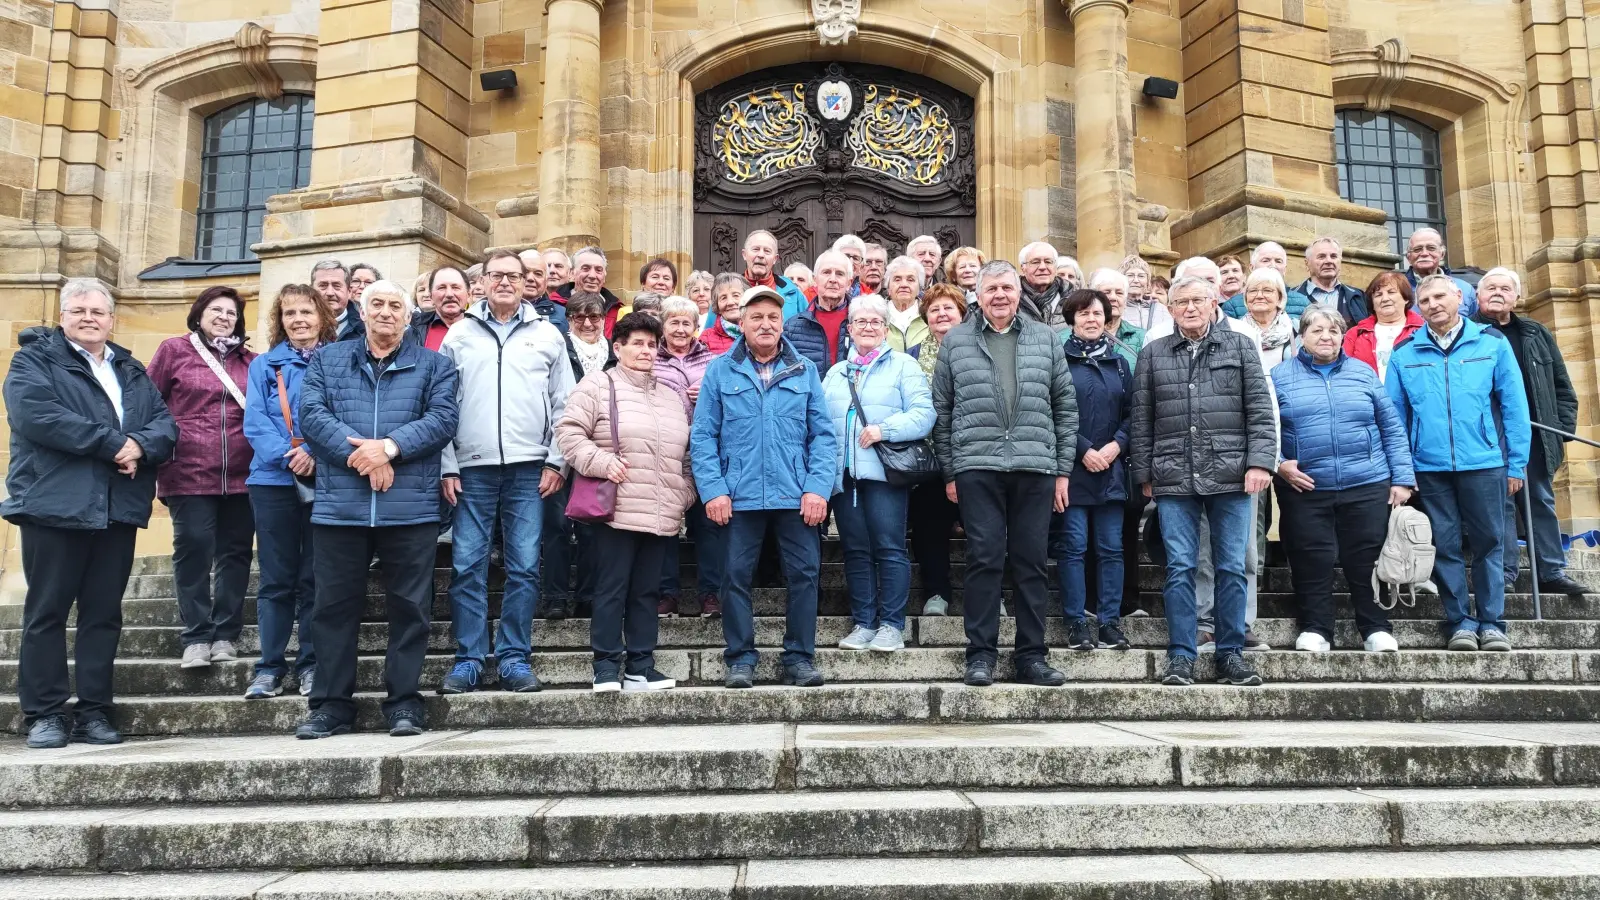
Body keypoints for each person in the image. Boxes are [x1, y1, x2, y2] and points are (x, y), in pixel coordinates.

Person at [4, 279, 176, 749]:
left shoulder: (130, 369)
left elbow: (165, 425)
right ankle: (45, 714)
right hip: (54, 504)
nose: (88, 318)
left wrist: (139, 443)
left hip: (116, 507)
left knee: (103, 615)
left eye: (97, 312)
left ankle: (95, 711)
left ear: (111, 319)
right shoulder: (35, 360)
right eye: (78, 310)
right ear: (62, 316)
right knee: (47, 612)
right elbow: (36, 416)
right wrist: (114, 443)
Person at [295, 280, 459, 739]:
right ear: (361, 311)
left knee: (410, 608)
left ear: (409, 317)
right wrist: (363, 459)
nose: (386, 312)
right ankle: (330, 706)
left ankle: (404, 703)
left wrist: (388, 448)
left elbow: (443, 419)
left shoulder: (435, 365)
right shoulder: (327, 360)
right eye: (377, 305)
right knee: (331, 609)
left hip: (410, 509)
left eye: (395, 306)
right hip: (339, 508)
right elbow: (312, 415)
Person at [932, 261, 1077, 688]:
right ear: (977, 295)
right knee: (984, 559)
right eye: (991, 288)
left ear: (1019, 293)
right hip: (978, 466)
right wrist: (950, 470)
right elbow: (943, 411)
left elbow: (1065, 407)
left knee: (1032, 562)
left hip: (1035, 466)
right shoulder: (956, 341)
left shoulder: (1046, 338)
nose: (1000, 295)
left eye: (1007, 288)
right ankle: (981, 654)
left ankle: (1031, 655)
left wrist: (1062, 470)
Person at [437, 249, 574, 694]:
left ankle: (514, 656)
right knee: (466, 565)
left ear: (525, 282)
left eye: (513, 276)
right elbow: (440, 405)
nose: (504, 282)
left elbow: (565, 405)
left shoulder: (548, 334)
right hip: (470, 468)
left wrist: (557, 459)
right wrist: (446, 465)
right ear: (482, 282)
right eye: (496, 275)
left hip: (528, 467)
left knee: (524, 568)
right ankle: (469, 658)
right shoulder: (458, 335)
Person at [1131, 275, 1276, 688]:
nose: (1190, 307)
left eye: (1198, 300)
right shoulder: (1153, 353)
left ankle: (1230, 655)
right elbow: (1142, 419)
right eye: (1182, 301)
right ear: (1170, 308)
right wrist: (1144, 475)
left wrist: (1261, 462)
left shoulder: (1241, 345)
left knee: (1231, 566)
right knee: (1180, 568)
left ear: (1215, 303)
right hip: (1173, 475)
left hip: (1233, 475)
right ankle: (1181, 656)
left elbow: (1260, 411)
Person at [690, 285, 836, 689]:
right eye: (756, 317)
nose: (766, 324)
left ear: (782, 321)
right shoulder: (720, 370)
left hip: (796, 494)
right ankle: (740, 658)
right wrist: (714, 490)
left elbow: (822, 436)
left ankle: (799, 658)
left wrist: (818, 489)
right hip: (739, 496)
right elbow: (703, 436)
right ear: (742, 322)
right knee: (734, 576)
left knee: (805, 576)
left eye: (773, 317)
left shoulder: (804, 370)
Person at [1387, 274, 1530, 652]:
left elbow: (1515, 408)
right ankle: (1460, 622)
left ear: (1458, 298)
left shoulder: (1492, 345)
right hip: (1429, 467)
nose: (1433, 304)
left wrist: (1516, 463)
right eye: (1425, 300)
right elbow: (1395, 420)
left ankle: (1492, 622)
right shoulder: (1405, 355)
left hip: (1484, 462)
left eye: (1439, 296)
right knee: (1444, 546)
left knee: (1489, 544)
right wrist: (1402, 470)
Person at [555, 312, 695, 691]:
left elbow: (685, 455)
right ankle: (605, 666)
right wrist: (601, 462)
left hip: (660, 510)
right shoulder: (598, 384)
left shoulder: (669, 396)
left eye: (652, 344)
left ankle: (640, 666)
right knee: (611, 588)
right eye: (637, 343)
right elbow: (568, 433)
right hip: (614, 509)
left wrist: (684, 491)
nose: (646, 350)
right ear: (617, 348)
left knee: (648, 591)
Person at [1274, 306, 1415, 653]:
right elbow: (1264, 429)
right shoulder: (1278, 376)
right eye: (1317, 330)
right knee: (1311, 558)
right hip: (1305, 486)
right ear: (1302, 337)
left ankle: (1375, 627)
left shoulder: (1363, 373)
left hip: (1366, 482)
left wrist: (1402, 478)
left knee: (1364, 559)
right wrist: (1279, 464)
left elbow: (1392, 429)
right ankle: (1316, 628)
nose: (1326, 337)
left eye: (1334, 331)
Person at [147, 286, 258, 670]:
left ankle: (226, 633)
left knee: (236, 553)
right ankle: (195, 635)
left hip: (244, 474)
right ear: (199, 313)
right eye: (216, 309)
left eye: (231, 312)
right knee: (193, 548)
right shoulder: (174, 351)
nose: (224, 317)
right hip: (189, 471)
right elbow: (148, 405)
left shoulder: (251, 361)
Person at [823, 295, 935, 653]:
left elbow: (923, 414)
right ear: (850, 329)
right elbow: (822, 424)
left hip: (885, 476)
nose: (868, 327)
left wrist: (884, 429)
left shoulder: (904, 365)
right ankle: (864, 622)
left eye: (875, 321)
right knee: (855, 550)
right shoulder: (836, 373)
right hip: (846, 479)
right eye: (861, 321)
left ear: (886, 329)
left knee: (889, 548)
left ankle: (891, 625)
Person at [241, 284, 337, 700]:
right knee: (276, 580)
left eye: (306, 312)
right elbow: (255, 420)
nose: (299, 320)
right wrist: (289, 455)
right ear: (280, 321)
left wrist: (315, 451)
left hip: (325, 479)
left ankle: (312, 664)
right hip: (273, 481)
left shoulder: (339, 360)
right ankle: (269, 667)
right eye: (290, 313)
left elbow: (344, 414)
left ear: (322, 317)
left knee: (315, 578)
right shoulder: (265, 365)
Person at [1473, 267, 1587, 598]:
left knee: (1539, 500)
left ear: (1517, 297)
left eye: (1505, 288)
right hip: (1490, 436)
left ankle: (1551, 570)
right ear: (1478, 296)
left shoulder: (1536, 333)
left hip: (1536, 434)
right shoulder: (1469, 333)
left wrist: (1560, 432)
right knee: (1500, 504)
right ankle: (1506, 573)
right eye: (1490, 287)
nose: (1497, 293)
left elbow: (1563, 389)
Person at [1051, 290, 1133, 652]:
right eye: (1083, 313)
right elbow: (1051, 412)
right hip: (1072, 468)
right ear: (1072, 318)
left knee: (1111, 549)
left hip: (1112, 469)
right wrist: (1084, 450)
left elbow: (1135, 412)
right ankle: (1076, 623)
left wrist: (1117, 445)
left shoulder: (1120, 363)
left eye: (1097, 313)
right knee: (1073, 547)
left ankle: (1110, 623)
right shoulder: (1058, 359)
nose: (1091, 319)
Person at [546, 290, 617, 620]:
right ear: (569, 319)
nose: (587, 323)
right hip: (560, 443)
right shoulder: (558, 349)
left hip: (598, 448)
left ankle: (588, 594)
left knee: (591, 523)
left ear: (603, 319)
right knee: (557, 524)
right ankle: (555, 596)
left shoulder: (614, 354)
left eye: (594, 317)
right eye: (579, 317)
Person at [654, 296, 723, 618]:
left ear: (697, 328)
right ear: (663, 326)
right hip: (663, 454)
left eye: (687, 323)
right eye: (674, 322)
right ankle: (666, 593)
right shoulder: (650, 360)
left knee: (708, 525)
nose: (680, 328)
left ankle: (711, 593)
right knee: (666, 525)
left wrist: (707, 393)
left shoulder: (714, 362)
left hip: (705, 454)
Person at [908, 284, 968, 616]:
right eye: (934, 310)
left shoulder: (980, 349)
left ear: (962, 315)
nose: (942, 314)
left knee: (983, 529)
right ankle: (937, 592)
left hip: (975, 455)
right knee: (929, 526)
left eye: (949, 308)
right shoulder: (912, 356)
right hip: (929, 457)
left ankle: (990, 595)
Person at [1343, 272, 1422, 381]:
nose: (1385, 299)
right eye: (1378, 295)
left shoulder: (1423, 330)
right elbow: (1343, 370)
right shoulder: (1355, 333)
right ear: (1372, 303)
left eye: (1391, 292)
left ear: (1406, 298)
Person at [786, 249, 854, 372]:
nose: (833, 279)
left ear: (849, 283)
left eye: (839, 274)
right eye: (826, 272)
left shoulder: (862, 323)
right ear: (815, 280)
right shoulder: (793, 327)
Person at [1221, 243, 1310, 321]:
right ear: (1252, 268)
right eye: (1266, 260)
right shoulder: (1232, 306)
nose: (1272, 265)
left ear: (1285, 270)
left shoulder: (1303, 303)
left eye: (1278, 261)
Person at [1405, 227, 1478, 316]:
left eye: (1431, 248)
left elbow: (1475, 325)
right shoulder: (1398, 290)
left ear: (1442, 254)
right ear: (1409, 257)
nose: (1424, 253)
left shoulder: (1465, 289)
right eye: (1417, 249)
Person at [551, 247, 624, 336]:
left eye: (598, 270)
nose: (592, 275)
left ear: (604, 276)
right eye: (585, 268)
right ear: (572, 273)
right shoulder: (553, 307)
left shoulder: (618, 312)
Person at [1297, 237, 1369, 325]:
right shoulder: (1291, 297)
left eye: (1333, 256)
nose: (1328, 261)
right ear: (1307, 263)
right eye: (1321, 256)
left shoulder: (1358, 297)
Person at [742, 230, 808, 318]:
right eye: (756, 249)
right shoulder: (730, 289)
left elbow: (808, 327)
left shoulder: (792, 291)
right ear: (744, 254)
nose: (761, 255)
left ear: (775, 259)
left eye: (767, 251)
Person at [1088, 268, 1145, 368]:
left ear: (1126, 301)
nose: (1113, 298)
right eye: (1106, 292)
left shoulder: (1143, 337)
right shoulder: (1068, 337)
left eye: (1119, 293)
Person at [407, 266, 470, 351]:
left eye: (455, 287)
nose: (449, 294)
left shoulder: (484, 328)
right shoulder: (413, 327)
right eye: (441, 288)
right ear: (431, 296)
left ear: (468, 294)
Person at [1017, 241, 1069, 328]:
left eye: (1048, 262)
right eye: (1035, 262)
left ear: (1056, 268)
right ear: (1023, 268)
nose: (1042, 267)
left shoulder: (1073, 298)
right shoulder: (1011, 299)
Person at [882, 255, 929, 353]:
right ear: (888, 288)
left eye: (910, 280)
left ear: (919, 288)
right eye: (897, 279)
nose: (904, 285)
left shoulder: (929, 315)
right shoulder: (877, 315)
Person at [312, 259, 364, 342]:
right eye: (323, 286)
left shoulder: (365, 329)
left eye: (336, 286)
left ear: (349, 291)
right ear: (311, 290)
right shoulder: (297, 327)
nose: (330, 293)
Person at [1120, 254, 1172, 333]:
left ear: (1148, 282)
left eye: (1141, 276)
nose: (1136, 280)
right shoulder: (1115, 308)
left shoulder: (1162, 309)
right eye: (1130, 275)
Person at [521, 248, 567, 333]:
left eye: (538, 274)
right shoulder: (499, 308)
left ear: (546, 281)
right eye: (525, 272)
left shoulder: (563, 314)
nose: (530, 278)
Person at [701, 273, 746, 355]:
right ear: (717, 306)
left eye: (736, 295)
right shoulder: (706, 338)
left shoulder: (758, 332)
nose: (730, 302)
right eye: (723, 298)